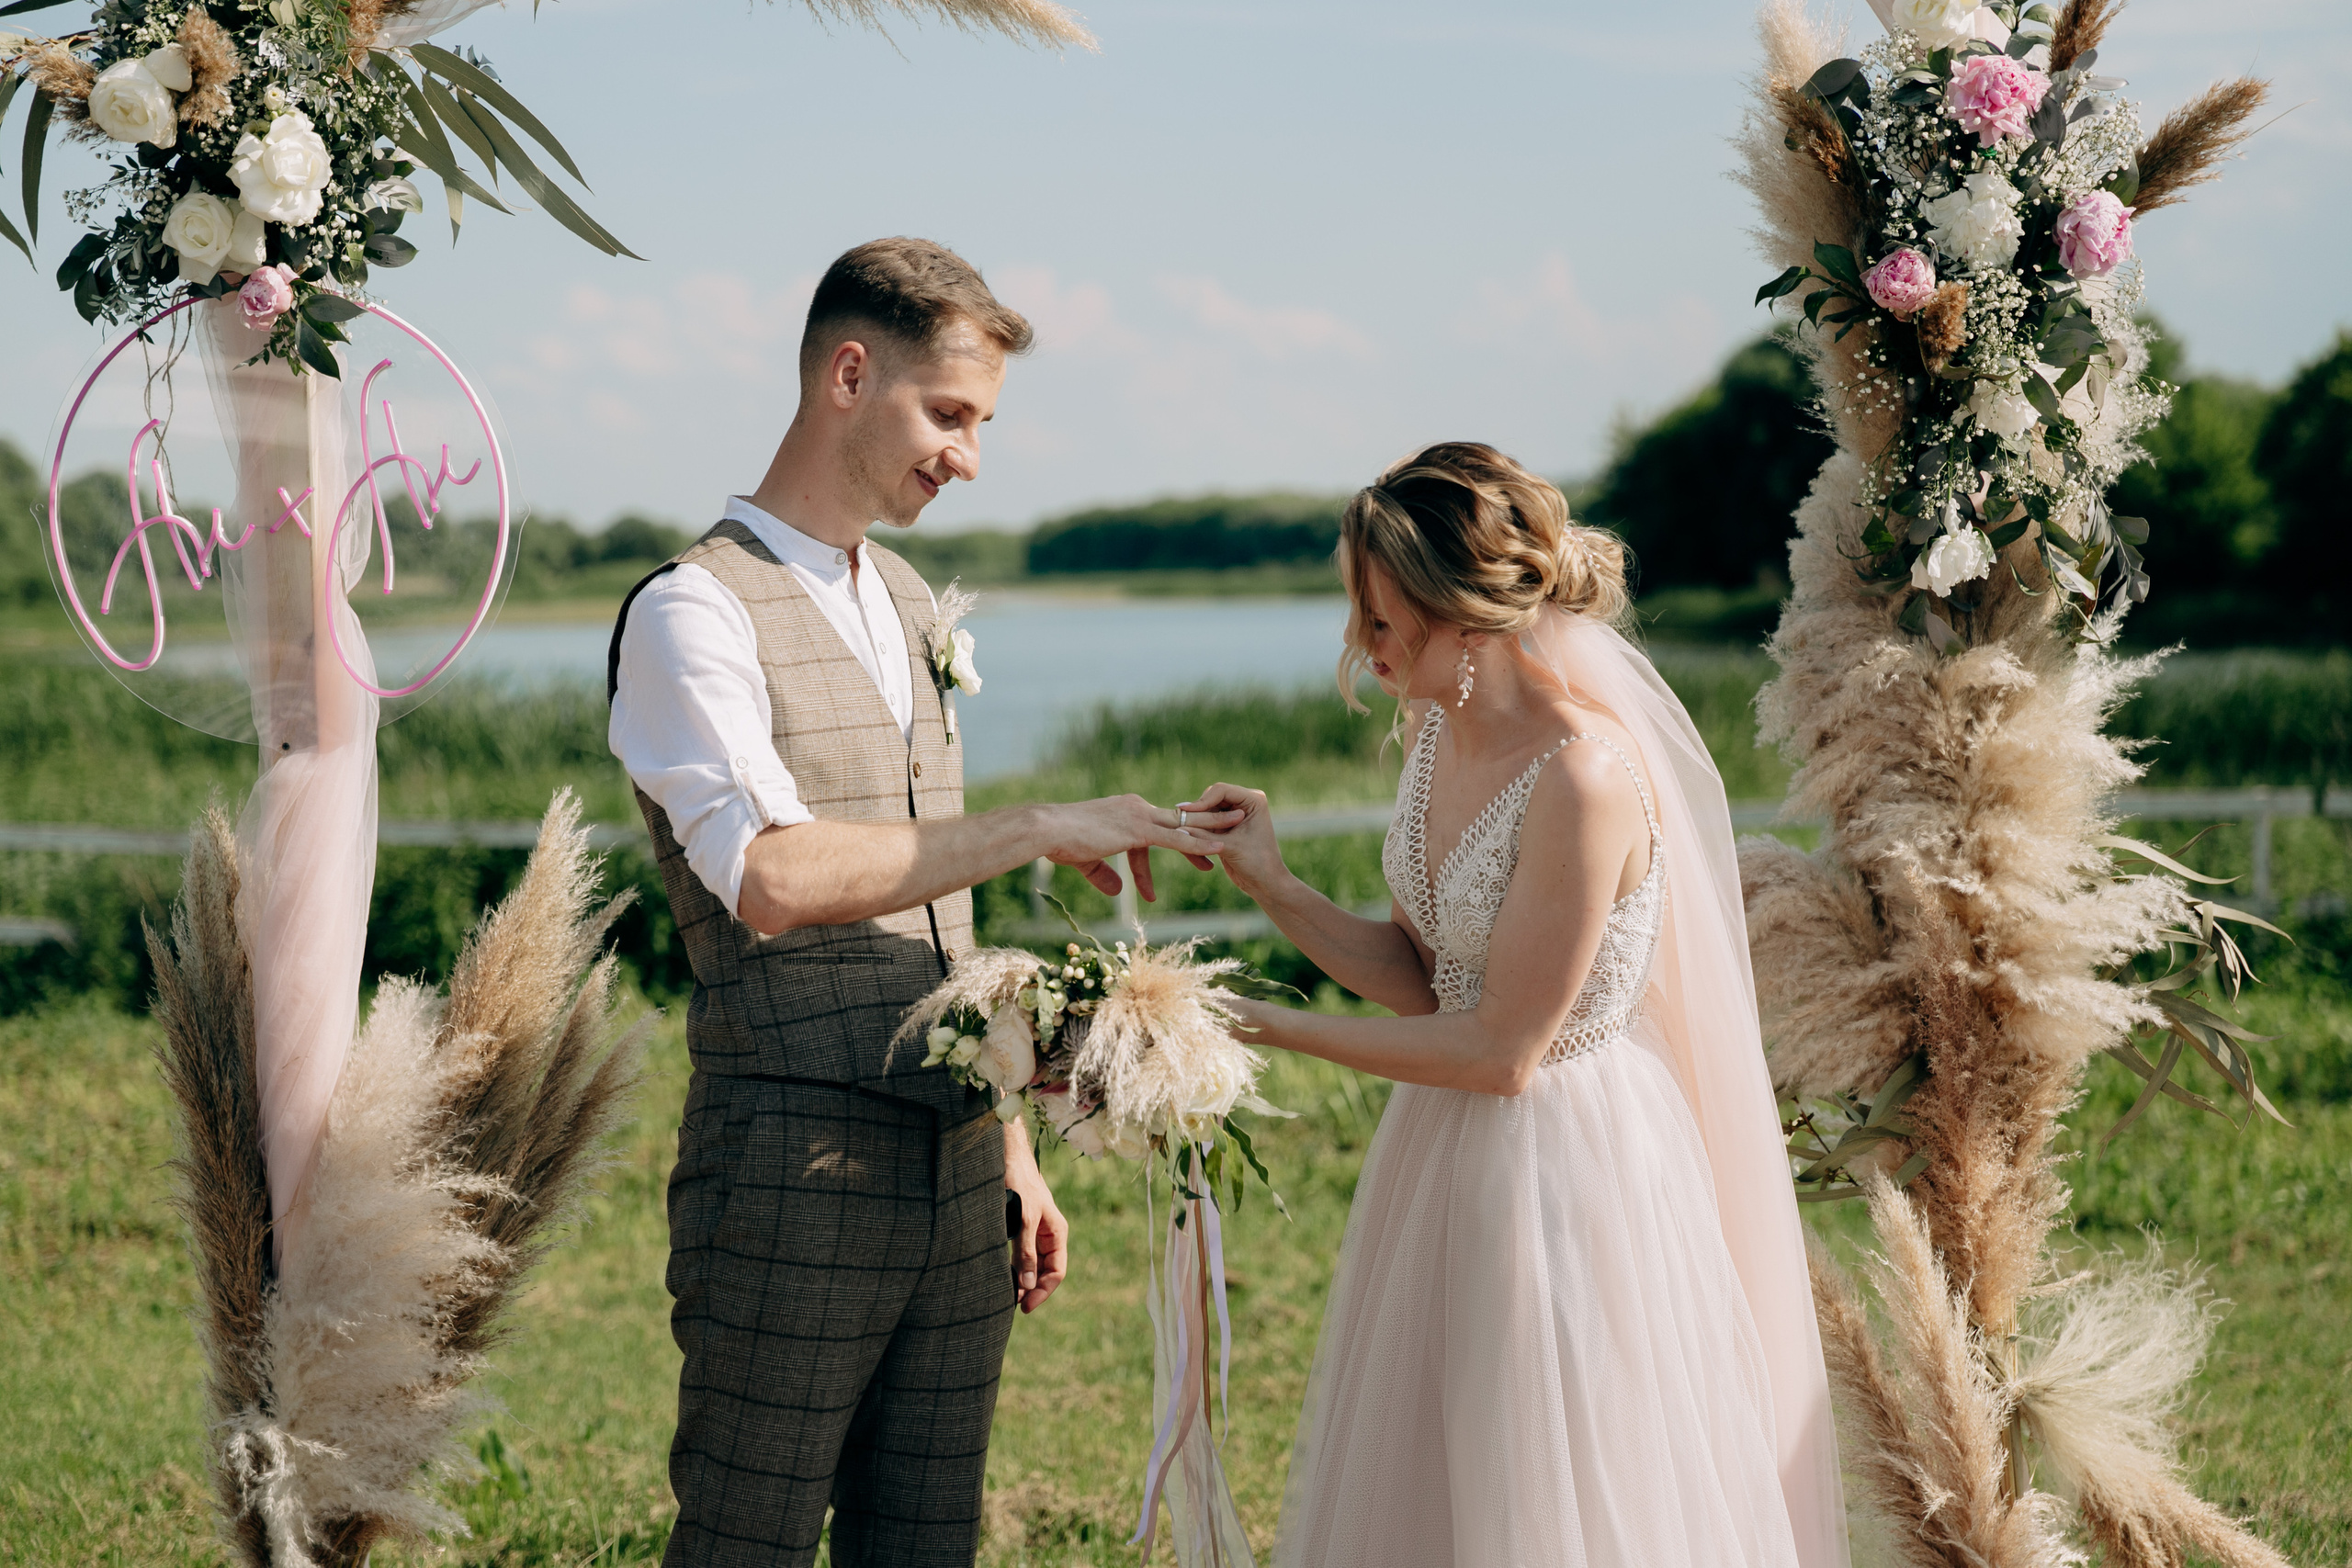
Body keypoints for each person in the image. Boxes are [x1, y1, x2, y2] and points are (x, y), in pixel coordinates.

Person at [606, 236, 1235, 1568]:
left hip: (958, 1173)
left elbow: (924, 912)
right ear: (849, 372)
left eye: (983, 422)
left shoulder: (900, 596)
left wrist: (1006, 1142)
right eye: (949, 414)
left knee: (927, 1542)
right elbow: (772, 877)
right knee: (748, 1539)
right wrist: (1031, 826)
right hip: (790, 1164)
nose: (969, 455)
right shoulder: (690, 611)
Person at [1184, 443, 1850, 1567]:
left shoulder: (1584, 776)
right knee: (1440, 1469)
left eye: (1383, 619)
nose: (1362, 645)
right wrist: (1273, 882)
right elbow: (1424, 973)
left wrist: (1251, 1026)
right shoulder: (1435, 727)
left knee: (1559, 1479)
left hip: (1571, 1162)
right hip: (1444, 1145)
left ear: (1468, 616)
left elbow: (1503, 1048)